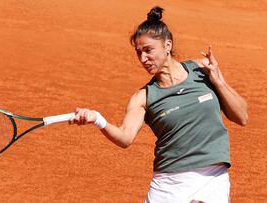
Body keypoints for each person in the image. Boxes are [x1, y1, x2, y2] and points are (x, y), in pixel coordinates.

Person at [69, 6, 248, 203]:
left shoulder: (203, 69)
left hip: (212, 177)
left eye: (148, 50)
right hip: (169, 185)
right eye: (139, 53)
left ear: (167, 45)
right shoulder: (143, 97)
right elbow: (125, 137)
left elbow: (242, 116)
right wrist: (98, 119)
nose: (143, 59)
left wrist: (218, 81)